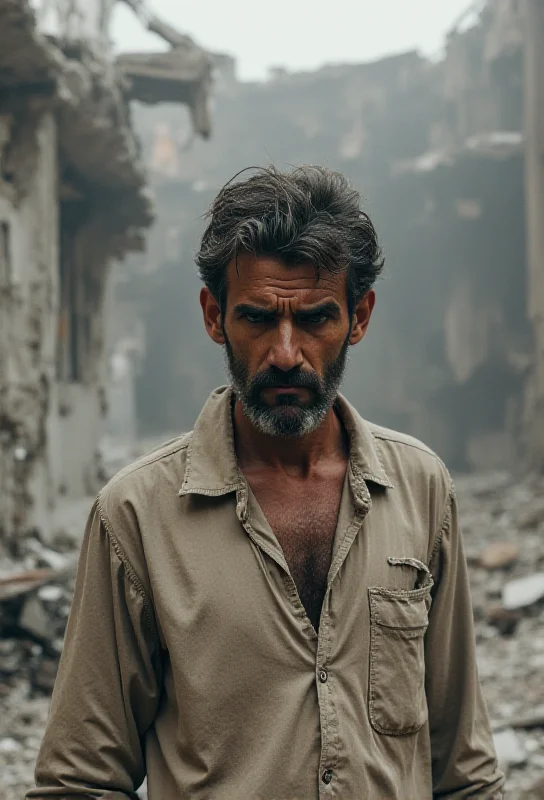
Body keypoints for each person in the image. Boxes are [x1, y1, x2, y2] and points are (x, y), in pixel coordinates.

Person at [28, 166, 504, 799]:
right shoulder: (136, 514)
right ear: (214, 315)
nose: (285, 353)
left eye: (314, 319)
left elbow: (464, 769)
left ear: (358, 317)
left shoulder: (419, 488)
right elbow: (80, 781)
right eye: (256, 318)